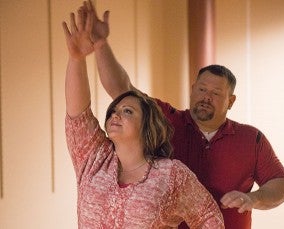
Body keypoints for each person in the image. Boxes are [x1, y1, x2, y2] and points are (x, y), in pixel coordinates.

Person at [81, 1, 284, 228]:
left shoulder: (251, 139)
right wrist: (100, 45)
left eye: (216, 93)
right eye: (201, 89)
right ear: (192, 90)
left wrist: (253, 199)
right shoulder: (167, 120)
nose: (206, 96)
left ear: (231, 101)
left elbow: (280, 184)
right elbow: (121, 88)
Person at [62, 4, 225, 229]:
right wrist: (76, 58)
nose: (116, 115)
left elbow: (208, 218)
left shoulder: (171, 174)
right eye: (114, 111)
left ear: (147, 125)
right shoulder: (94, 158)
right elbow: (77, 113)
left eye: (127, 111)